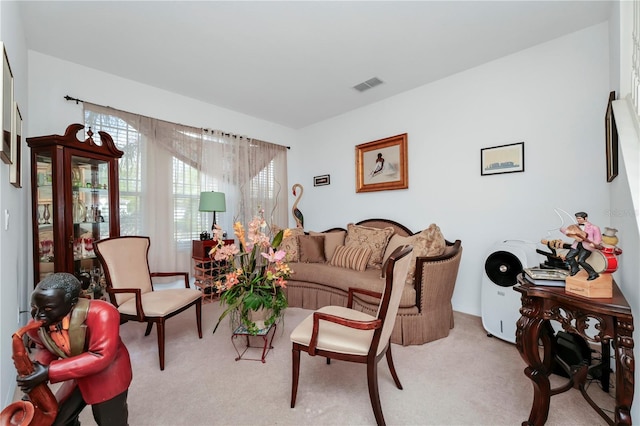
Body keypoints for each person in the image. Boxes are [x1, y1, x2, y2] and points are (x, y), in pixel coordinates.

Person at [16, 273, 132, 426]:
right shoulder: (37, 326)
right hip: (76, 373)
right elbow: (46, 349)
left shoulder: (103, 313)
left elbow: (100, 356)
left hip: (108, 375)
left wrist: (48, 371)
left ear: (72, 303)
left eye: (48, 308)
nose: (38, 316)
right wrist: (34, 375)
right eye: (34, 308)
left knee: (111, 422)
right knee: (59, 420)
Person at [560, 211, 602, 281]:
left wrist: (594, 244)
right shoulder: (575, 227)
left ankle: (593, 273)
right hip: (577, 244)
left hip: (587, 246)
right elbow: (563, 230)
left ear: (585, 218)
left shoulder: (594, 227)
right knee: (569, 257)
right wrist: (570, 232)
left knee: (581, 260)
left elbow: (598, 238)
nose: (578, 220)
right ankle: (575, 268)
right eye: (577, 218)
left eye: (579, 218)